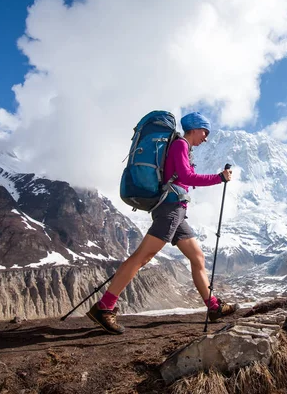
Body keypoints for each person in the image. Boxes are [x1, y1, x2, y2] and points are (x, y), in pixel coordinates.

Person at [86, 112, 238, 334]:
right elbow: (185, 177)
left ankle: (213, 307)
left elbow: (181, 177)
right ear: (195, 129)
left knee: (197, 257)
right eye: (205, 132)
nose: (206, 138)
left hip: (177, 212)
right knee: (142, 257)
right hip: (170, 210)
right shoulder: (180, 145)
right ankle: (104, 307)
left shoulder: (182, 146)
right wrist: (218, 178)